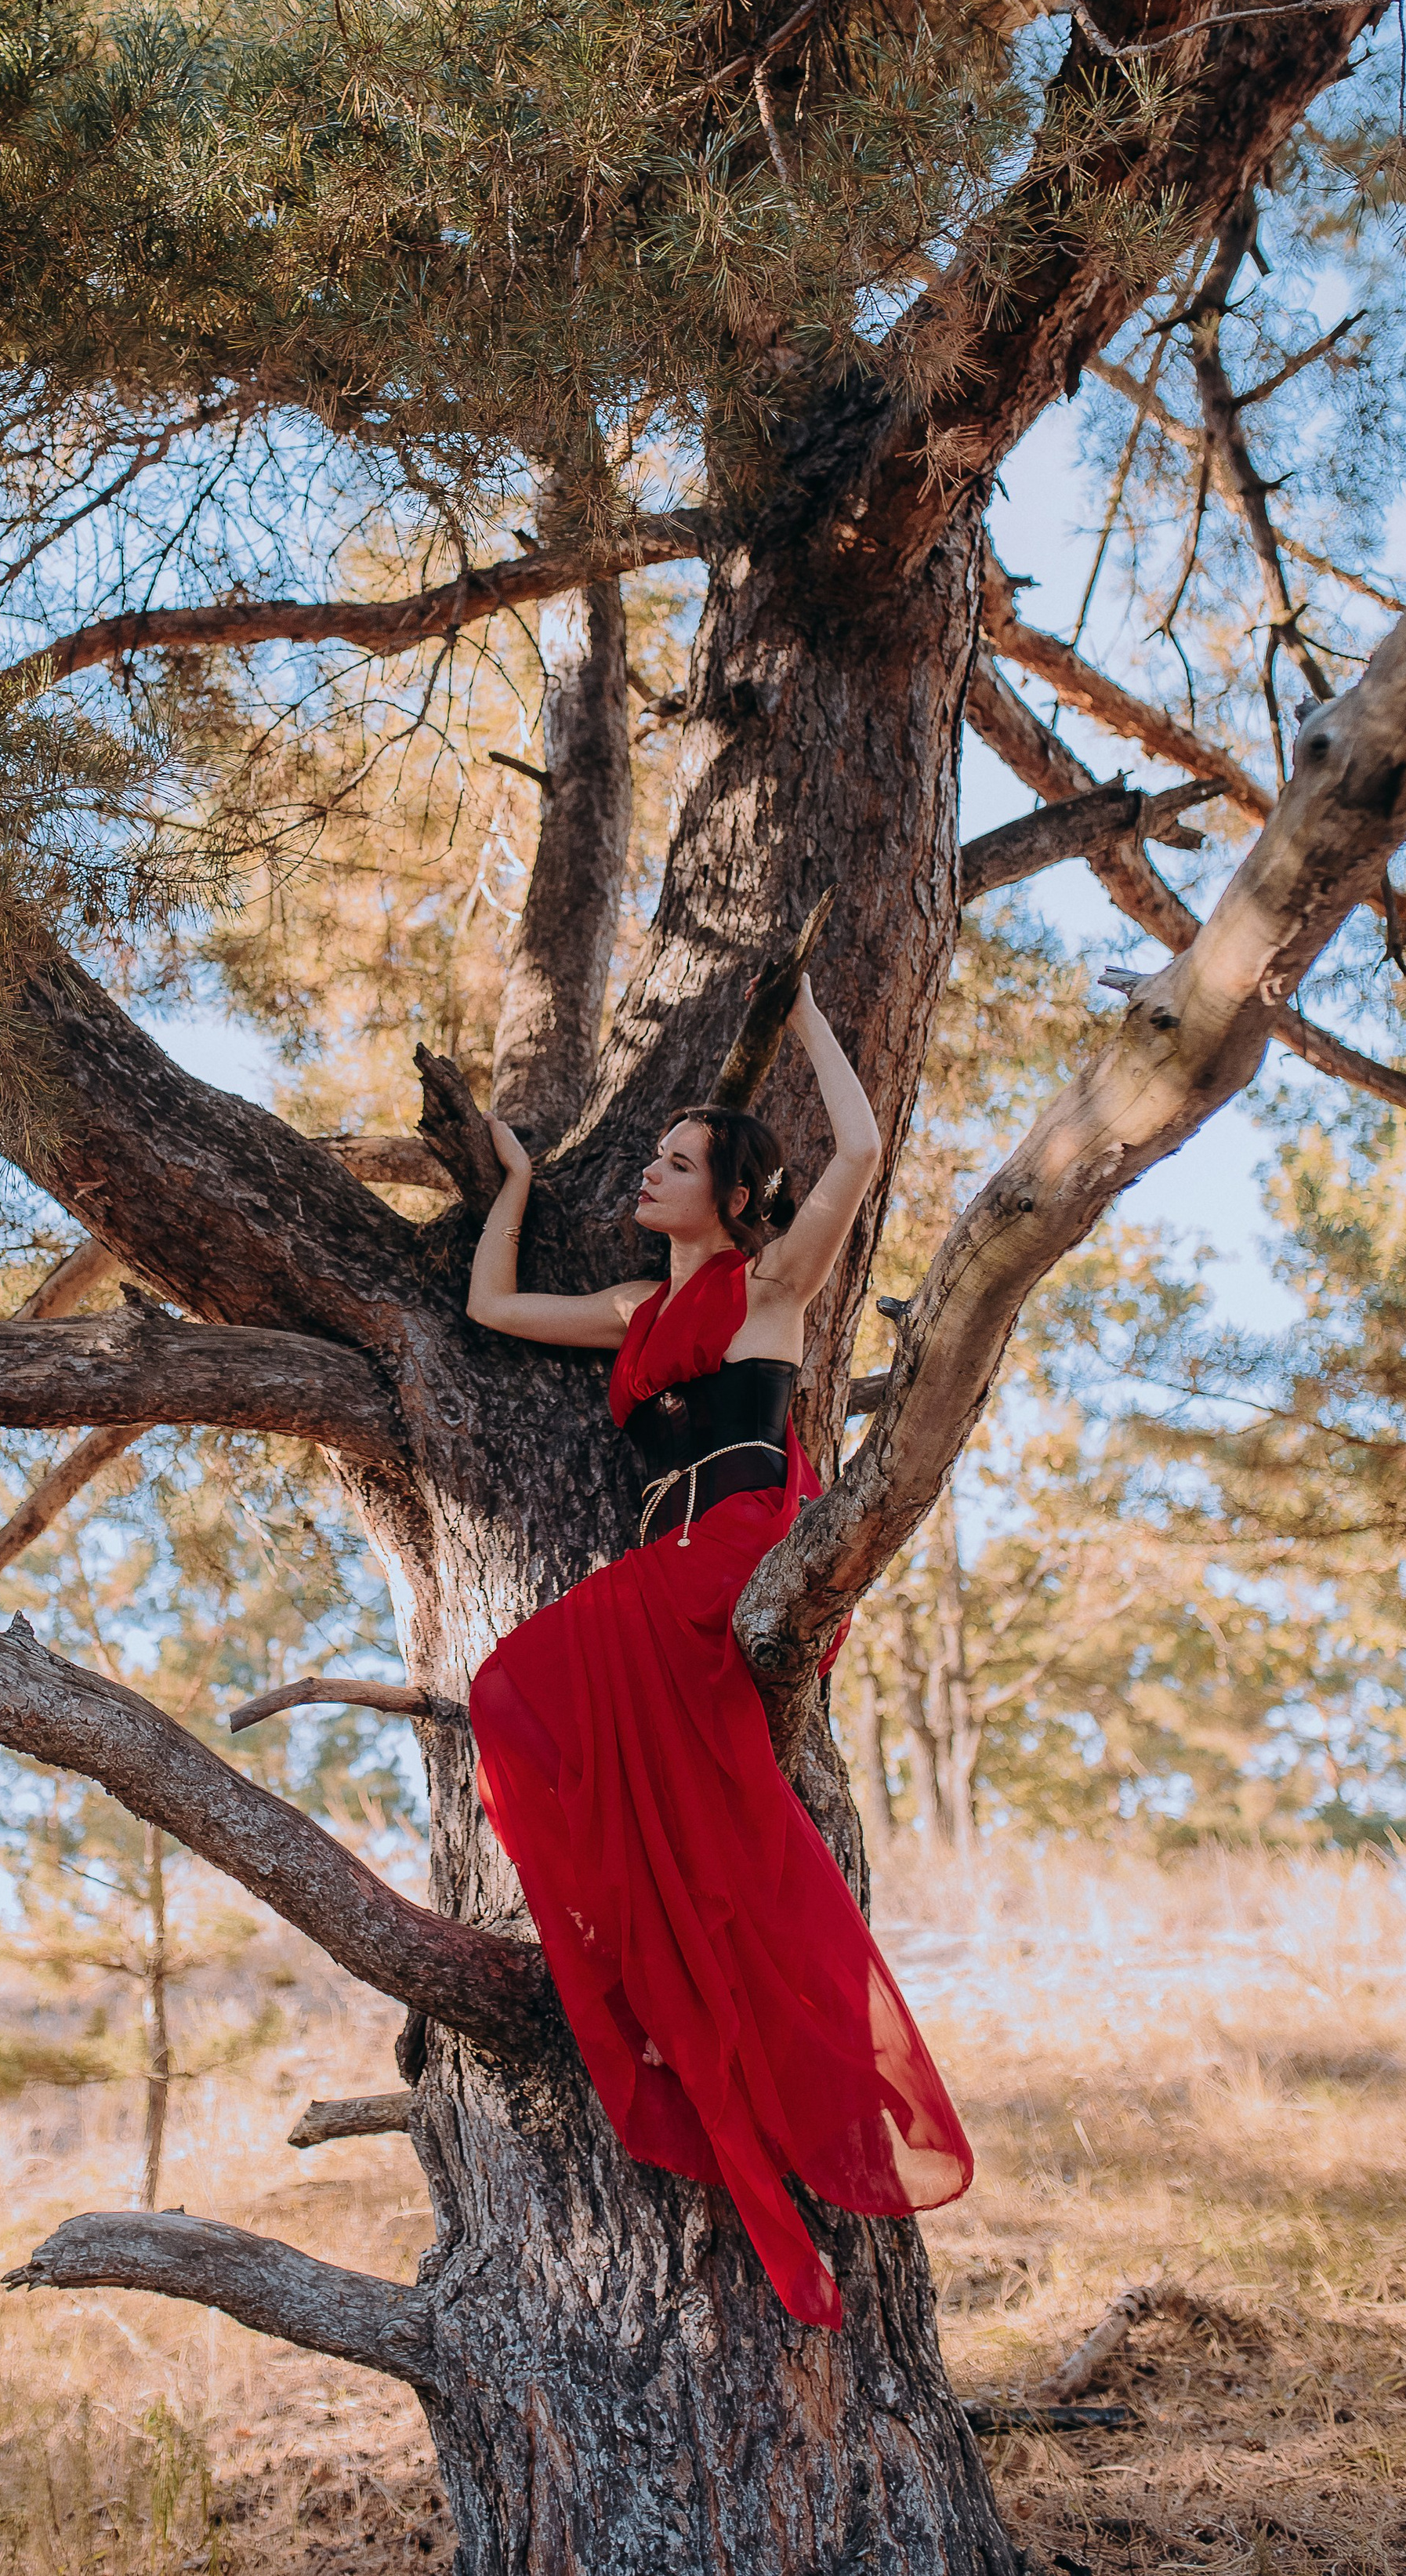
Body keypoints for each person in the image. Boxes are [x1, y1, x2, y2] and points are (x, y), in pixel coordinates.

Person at [464, 977, 972, 2330]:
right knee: (523, 1713)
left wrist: (808, 1007)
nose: (651, 1166)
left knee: (511, 1686)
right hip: (656, 1573)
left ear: (734, 1196)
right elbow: (495, 1307)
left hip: (735, 1553)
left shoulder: (773, 1284)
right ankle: (677, 2005)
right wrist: (510, 1177)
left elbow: (858, 1155)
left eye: (678, 1160)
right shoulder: (637, 1306)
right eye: (657, 1154)